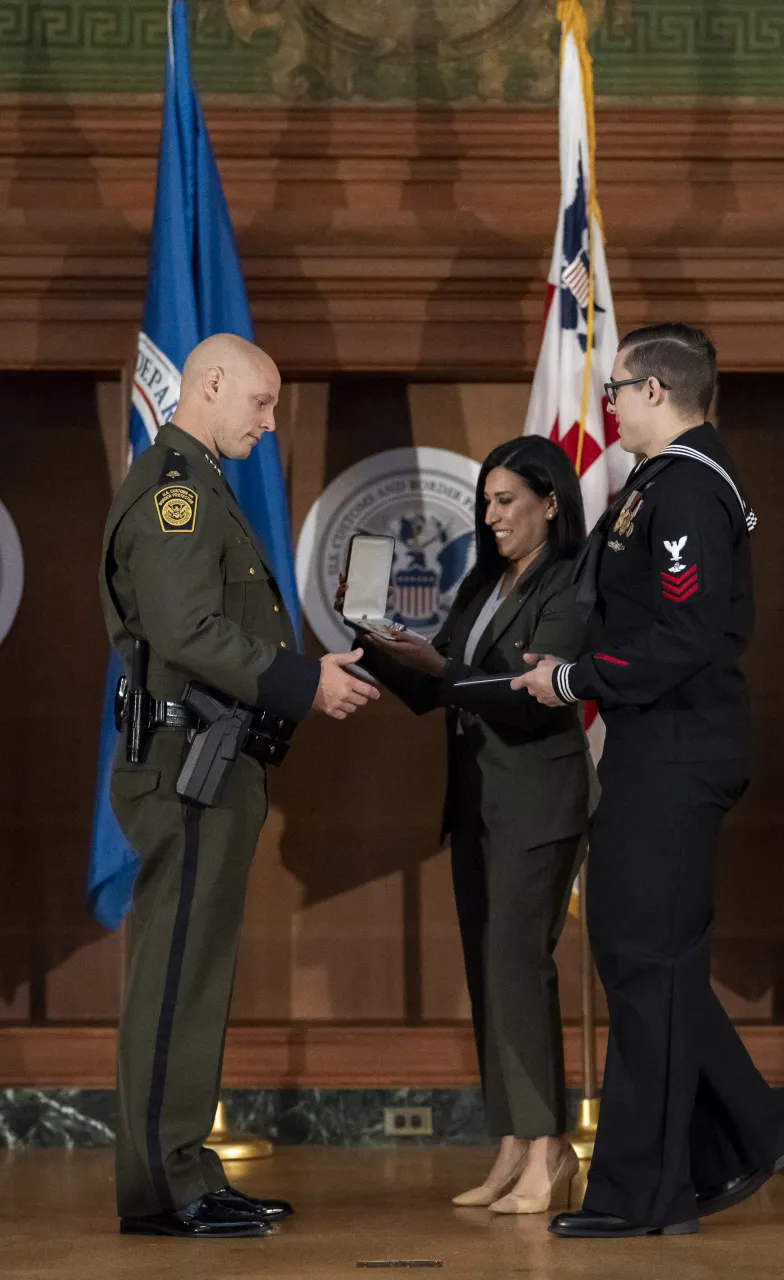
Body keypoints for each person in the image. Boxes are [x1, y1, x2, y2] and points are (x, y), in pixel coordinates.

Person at [513, 324, 784, 1239]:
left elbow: (682, 639)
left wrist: (573, 679)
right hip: (660, 747)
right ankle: (741, 1140)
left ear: (653, 392)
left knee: (645, 962)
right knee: (642, 959)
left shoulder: (684, 485)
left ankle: (641, 1193)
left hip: (678, 750)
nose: (606, 406)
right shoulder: (664, 480)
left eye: (614, 391)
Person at [100, 333, 379, 1239]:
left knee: (197, 977)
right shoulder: (175, 491)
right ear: (210, 384)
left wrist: (307, 670)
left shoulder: (200, 481)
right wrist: (306, 682)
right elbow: (184, 630)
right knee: (173, 978)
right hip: (184, 768)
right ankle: (158, 1190)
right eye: (258, 403)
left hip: (209, 763)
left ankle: (184, 1169)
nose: (269, 421)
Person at [337, 436, 593, 1215]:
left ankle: (550, 1153)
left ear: (550, 501)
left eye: (506, 500)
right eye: (485, 502)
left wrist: (440, 668)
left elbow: (526, 695)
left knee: (519, 967)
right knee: (490, 974)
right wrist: (376, 642)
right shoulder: (484, 582)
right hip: (476, 800)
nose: (490, 516)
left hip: (536, 800)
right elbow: (436, 691)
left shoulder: (572, 581)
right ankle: (512, 1146)